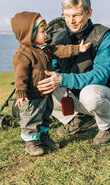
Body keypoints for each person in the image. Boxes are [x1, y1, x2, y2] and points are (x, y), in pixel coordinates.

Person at [37, 0, 110, 145]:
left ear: (89, 13)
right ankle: (79, 119)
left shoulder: (104, 35)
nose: (71, 21)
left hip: (106, 94)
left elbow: (101, 76)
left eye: (77, 15)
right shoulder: (58, 36)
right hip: (75, 95)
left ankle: (106, 127)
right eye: (67, 15)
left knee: (90, 93)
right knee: (40, 86)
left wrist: (62, 79)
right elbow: (56, 70)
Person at [11, 11, 90, 156]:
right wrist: (21, 93)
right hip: (32, 94)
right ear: (30, 34)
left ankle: (44, 137)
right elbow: (20, 76)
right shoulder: (23, 54)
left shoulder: (44, 48)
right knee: (31, 117)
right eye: (42, 32)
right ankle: (31, 143)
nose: (46, 35)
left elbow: (60, 50)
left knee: (45, 116)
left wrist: (78, 48)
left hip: (46, 93)